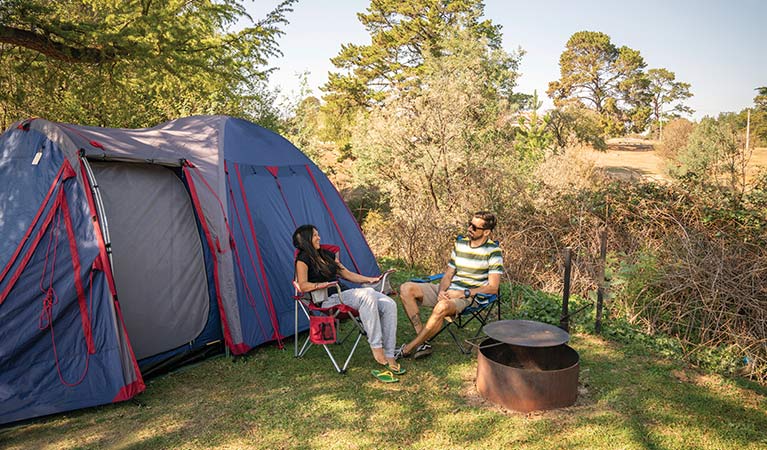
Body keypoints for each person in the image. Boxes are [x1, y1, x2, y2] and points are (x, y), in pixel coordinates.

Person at [293, 224, 404, 382]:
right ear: (306, 240)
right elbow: (303, 285)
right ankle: (376, 347)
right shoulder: (302, 259)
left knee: (388, 304)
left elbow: (347, 274)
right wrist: (321, 285)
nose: (319, 237)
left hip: (343, 294)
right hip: (325, 299)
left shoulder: (328, 255)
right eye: (315, 235)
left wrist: (370, 279)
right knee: (368, 294)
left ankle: (390, 353)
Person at [395, 211, 503, 359]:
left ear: (486, 232)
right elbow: (448, 275)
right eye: (469, 224)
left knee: (442, 307)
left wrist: (463, 293)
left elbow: (493, 288)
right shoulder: (461, 243)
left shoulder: (494, 252)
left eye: (474, 227)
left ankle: (409, 348)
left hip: (469, 296)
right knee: (406, 288)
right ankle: (423, 341)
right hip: (449, 290)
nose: (469, 229)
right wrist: (441, 290)